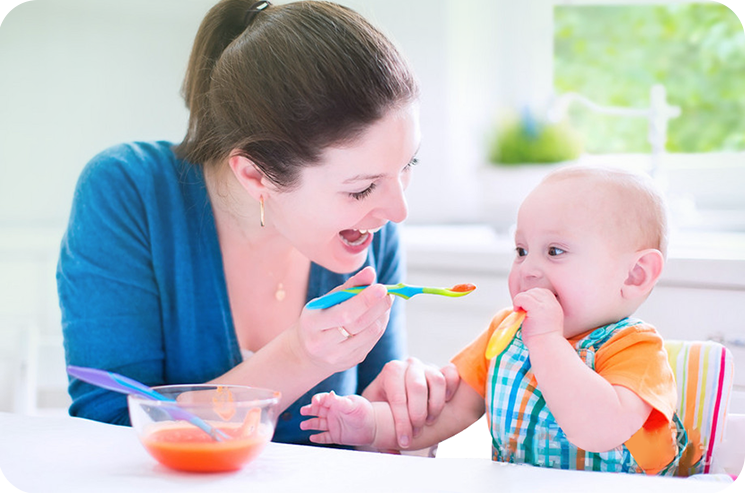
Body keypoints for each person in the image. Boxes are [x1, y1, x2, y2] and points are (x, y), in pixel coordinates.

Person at [57, 0, 459, 449]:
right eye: (362, 188)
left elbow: (366, 443)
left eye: (408, 164)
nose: (397, 210)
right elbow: (108, 431)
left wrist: (393, 415)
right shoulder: (128, 193)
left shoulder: (368, 231)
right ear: (255, 175)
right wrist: (298, 357)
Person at [300, 165, 691, 475]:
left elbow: (596, 430)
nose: (529, 269)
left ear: (635, 274)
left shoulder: (637, 351)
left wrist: (547, 341)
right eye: (521, 250)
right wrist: (370, 424)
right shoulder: (506, 334)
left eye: (555, 251)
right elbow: (448, 410)